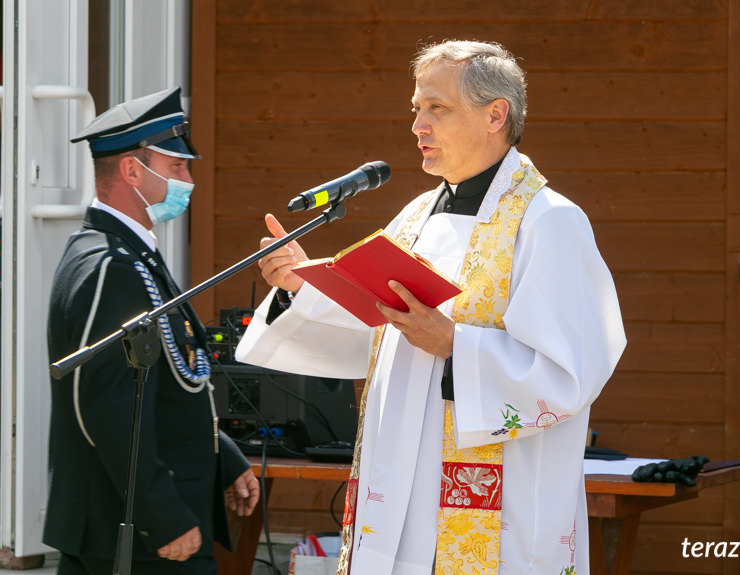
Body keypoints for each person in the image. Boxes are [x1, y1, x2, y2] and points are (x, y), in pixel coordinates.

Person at [236, 40, 626, 575]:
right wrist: (302, 286)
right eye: (416, 109)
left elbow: (571, 373)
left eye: (436, 108)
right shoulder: (417, 216)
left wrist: (456, 345)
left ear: (496, 114)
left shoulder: (548, 221)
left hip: (496, 509)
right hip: (397, 487)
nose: (418, 125)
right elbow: (375, 325)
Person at [46, 87, 259, 575]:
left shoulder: (133, 254)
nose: (189, 179)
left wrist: (220, 454)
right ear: (131, 172)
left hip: (153, 520)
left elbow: (164, 383)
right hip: (133, 534)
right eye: (177, 168)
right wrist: (159, 514)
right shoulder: (109, 265)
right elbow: (105, 408)